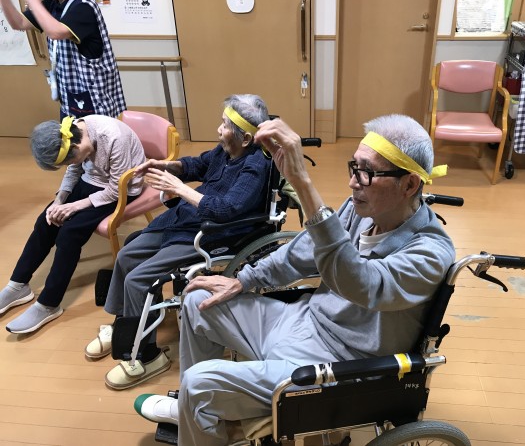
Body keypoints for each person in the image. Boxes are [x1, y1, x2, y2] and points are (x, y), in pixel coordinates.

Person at [132, 114, 456, 446]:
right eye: (354, 167)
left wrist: (302, 182)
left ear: (409, 185)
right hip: (302, 320)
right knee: (198, 301)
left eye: (367, 173)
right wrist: (243, 280)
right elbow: (301, 252)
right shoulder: (361, 210)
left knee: (199, 383)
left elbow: (362, 284)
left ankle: (198, 406)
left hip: (341, 364)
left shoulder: (430, 252)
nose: (353, 182)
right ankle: (199, 411)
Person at [86, 94, 272, 390]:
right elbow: (197, 165)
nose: (218, 129)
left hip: (212, 234)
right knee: (126, 255)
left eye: (224, 126)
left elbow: (226, 210)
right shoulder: (226, 150)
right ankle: (124, 326)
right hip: (183, 221)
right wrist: (166, 166)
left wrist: (179, 189)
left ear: (246, 138)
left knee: (138, 279)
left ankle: (147, 355)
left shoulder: (254, 167)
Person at [0, 115, 146, 334]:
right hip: (92, 183)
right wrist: (59, 201)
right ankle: (18, 285)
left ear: (76, 148)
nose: (69, 165)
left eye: (68, 161)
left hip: (122, 190)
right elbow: (74, 170)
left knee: (69, 234)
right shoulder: (72, 133)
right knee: (46, 221)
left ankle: (49, 304)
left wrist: (74, 206)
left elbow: (117, 189)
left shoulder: (114, 138)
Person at [0, 0, 126, 119]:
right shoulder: (52, 3)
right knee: (69, 130)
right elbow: (19, 23)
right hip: (69, 97)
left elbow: (56, 32)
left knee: (93, 132)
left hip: (94, 98)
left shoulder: (84, 5)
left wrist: (33, 0)